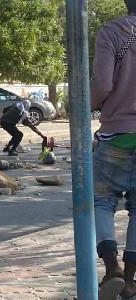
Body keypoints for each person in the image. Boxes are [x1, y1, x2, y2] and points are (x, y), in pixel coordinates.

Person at [91, 1, 136, 298]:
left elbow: (103, 84)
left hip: (117, 134)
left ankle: (111, 270)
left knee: (102, 200)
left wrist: (90, 103)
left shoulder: (114, 31)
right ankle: (130, 283)